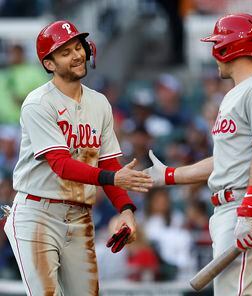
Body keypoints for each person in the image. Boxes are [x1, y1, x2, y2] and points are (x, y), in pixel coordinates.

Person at [145, 13, 252, 295]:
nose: (214, 52)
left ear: (229, 46)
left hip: (246, 205)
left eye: (218, 43)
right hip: (231, 206)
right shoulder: (236, 93)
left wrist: (247, 212)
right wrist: (171, 175)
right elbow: (227, 160)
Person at [3, 20, 153, 296]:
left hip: (80, 215)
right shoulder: (38, 103)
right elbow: (61, 164)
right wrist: (113, 177)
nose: (76, 55)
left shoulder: (99, 103)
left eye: (78, 47)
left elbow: (108, 162)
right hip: (38, 213)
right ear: (49, 64)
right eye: (65, 52)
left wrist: (126, 210)